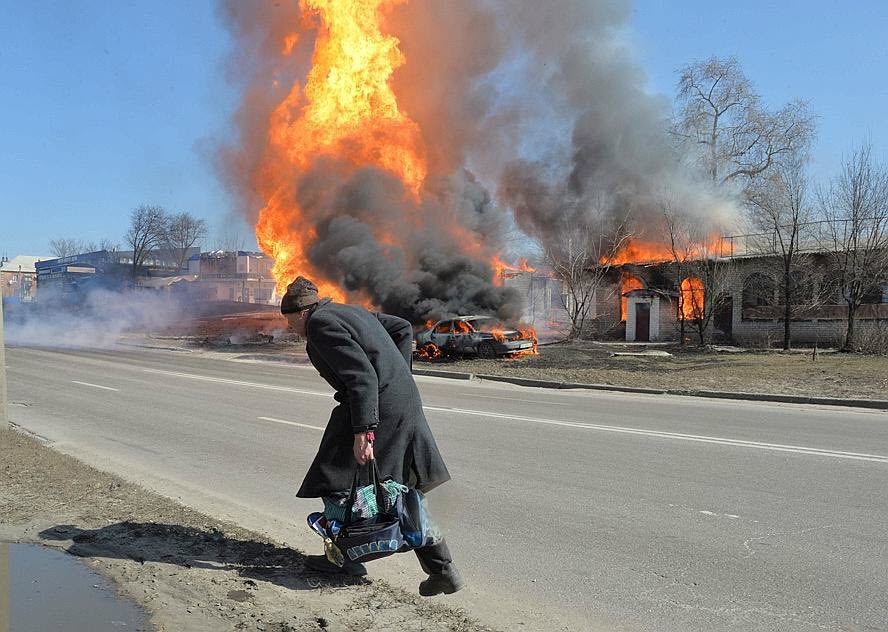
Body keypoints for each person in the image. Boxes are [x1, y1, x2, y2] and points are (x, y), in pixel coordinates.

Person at [281, 276, 464, 596]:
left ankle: (344, 559)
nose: (289, 327)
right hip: (399, 402)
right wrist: (397, 376)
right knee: (401, 487)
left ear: (301, 312)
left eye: (289, 320)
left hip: (375, 409)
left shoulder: (320, 324)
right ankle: (442, 570)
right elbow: (402, 328)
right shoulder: (350, 311)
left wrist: (364, 432)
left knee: (334, 477)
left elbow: (362, 378)